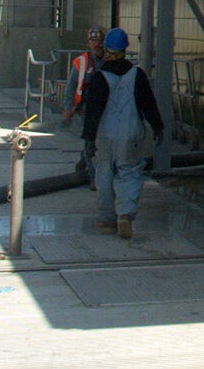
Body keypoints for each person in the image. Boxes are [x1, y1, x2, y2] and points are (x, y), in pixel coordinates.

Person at [81, 27, 164, 239]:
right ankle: (125, 214)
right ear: (126, 49)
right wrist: (158, 127)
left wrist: (89, 138)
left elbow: (93, 111)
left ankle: (107, 219)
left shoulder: (100, 77)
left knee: (105, 174)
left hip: (106, 134)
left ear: (107, 49)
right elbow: (149, 104)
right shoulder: (137, 75)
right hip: (131, 133)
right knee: (130, 172)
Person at [62, 24, 106, 177]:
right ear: (89, 43)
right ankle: (92, 175)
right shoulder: (81, 62)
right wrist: (68, 108)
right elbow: (71, 86)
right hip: (85, 109)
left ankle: (83, 160)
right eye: (94, 41)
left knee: (94, 142)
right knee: (91, 141)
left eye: (100, 41)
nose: (97, 45)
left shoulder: (108, 60)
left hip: (104, 108)